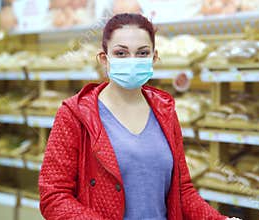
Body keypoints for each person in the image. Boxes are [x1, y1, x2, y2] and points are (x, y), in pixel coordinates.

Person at [38, 13, 241, 220]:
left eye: (142, 53)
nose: (132, 61)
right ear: (104, 59)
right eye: (121, 53)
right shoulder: (75, 114)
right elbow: (54, 195)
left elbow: (182, 191)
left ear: (154, 58)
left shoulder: (165, 111)